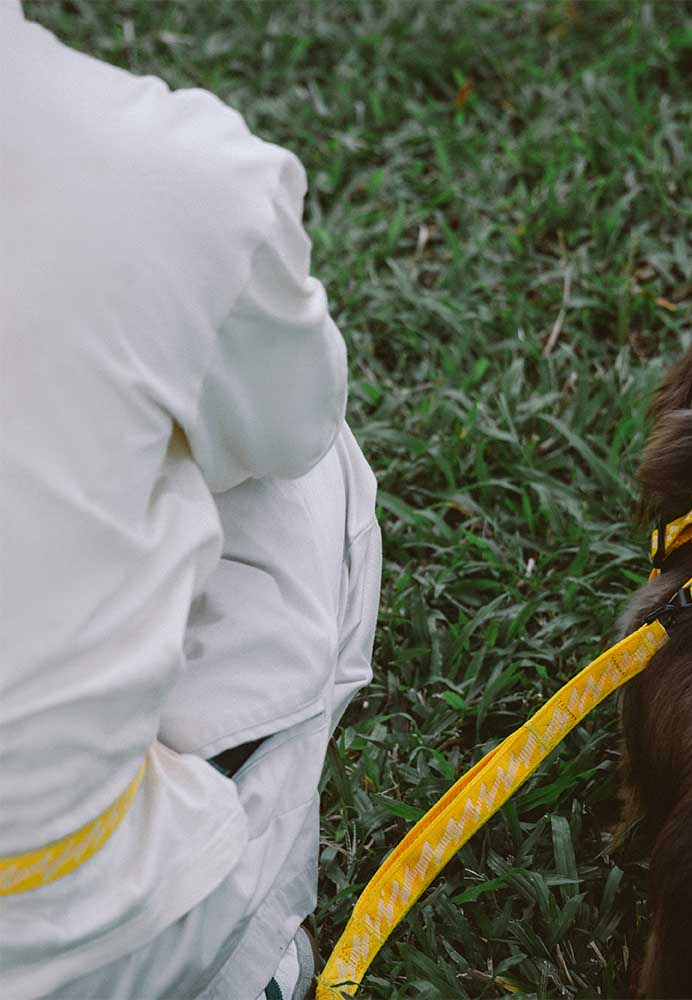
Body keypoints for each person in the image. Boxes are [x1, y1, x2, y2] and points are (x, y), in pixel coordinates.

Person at [0, 3, 381, 998]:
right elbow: (292, 425)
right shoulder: (174, 172)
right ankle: (244, 963)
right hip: (78, 938)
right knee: (309, 460)